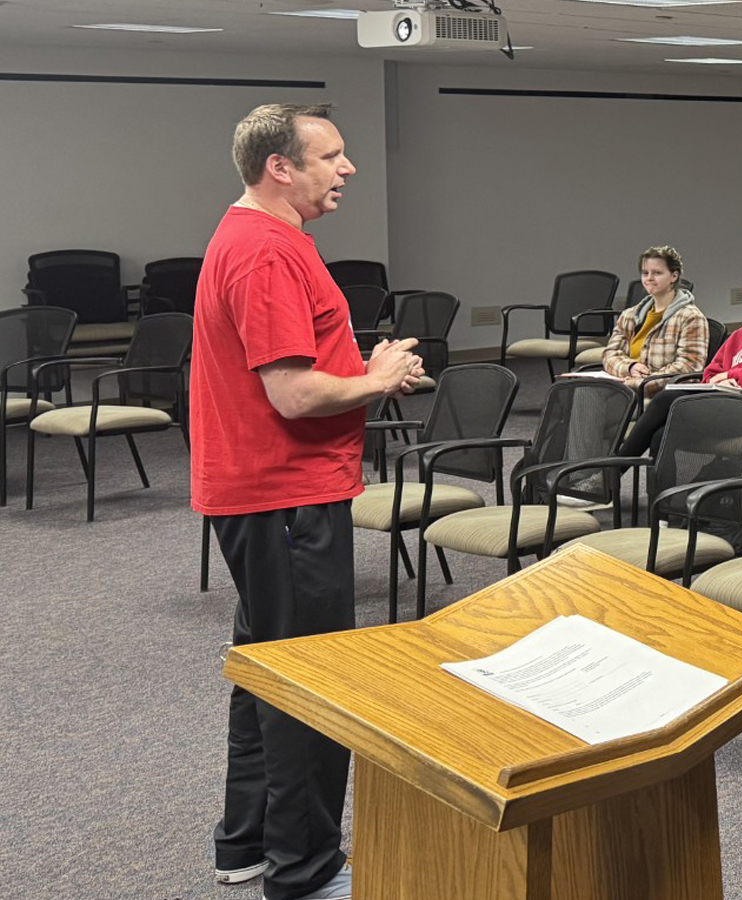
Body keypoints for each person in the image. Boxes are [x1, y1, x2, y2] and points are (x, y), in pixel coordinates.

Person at [194, 102, 420, 900]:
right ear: (280, 166)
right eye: (331, 155)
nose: (347, 167)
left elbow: (293, 361)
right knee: (315, 685)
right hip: (284, 495)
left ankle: (248, 845)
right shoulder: (264, 252)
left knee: (269, 671)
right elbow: (291, 395)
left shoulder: (265, 238)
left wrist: (366, 363)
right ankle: (306, 873)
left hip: (263, 493)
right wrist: (378, 380)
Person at [618, 263, 742, 456]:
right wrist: (719, 380)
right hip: (723, 402)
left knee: (665, 400)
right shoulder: (741, 334)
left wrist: (736, 375)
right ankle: (654, 486)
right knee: (660, 436)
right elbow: (711, 373)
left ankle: (612, 470)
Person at [601, 245, 709, 395]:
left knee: (594, 400)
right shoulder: (629, 316)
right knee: (584, 391)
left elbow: (688, 367)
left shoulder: (691, 317)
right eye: (645, 273)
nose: (649, 278)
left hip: (656, 395)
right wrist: (630, 367)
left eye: (657, 273)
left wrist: (641, 383)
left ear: (674, 276)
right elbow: (609, 354)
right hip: (624, 387)